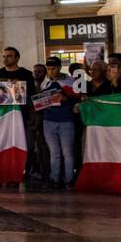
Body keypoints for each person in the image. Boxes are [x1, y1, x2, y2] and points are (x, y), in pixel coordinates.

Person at [0, 46, 40, 183]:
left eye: (9, 56)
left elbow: (30, 95)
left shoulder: (26, 74)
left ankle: (24, 172)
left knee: (25, 146)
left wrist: (5, 90)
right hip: (3, 119)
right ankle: (7, 172)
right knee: (4, 145)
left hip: (22, 117)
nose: (5, 59)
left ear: (17, 58)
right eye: (4, 56)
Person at [38, 56, 79, 191]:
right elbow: (40, 101)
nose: (51, 71)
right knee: (54, 151)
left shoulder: (71, 81)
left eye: (53, 68)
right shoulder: (45, 83)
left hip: (66, 120)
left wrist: (66, 99)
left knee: (67, 152)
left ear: (60, 67)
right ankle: (54, 178)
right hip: (49, 120)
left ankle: (69, 179)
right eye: (49, 69)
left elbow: (80, 99)